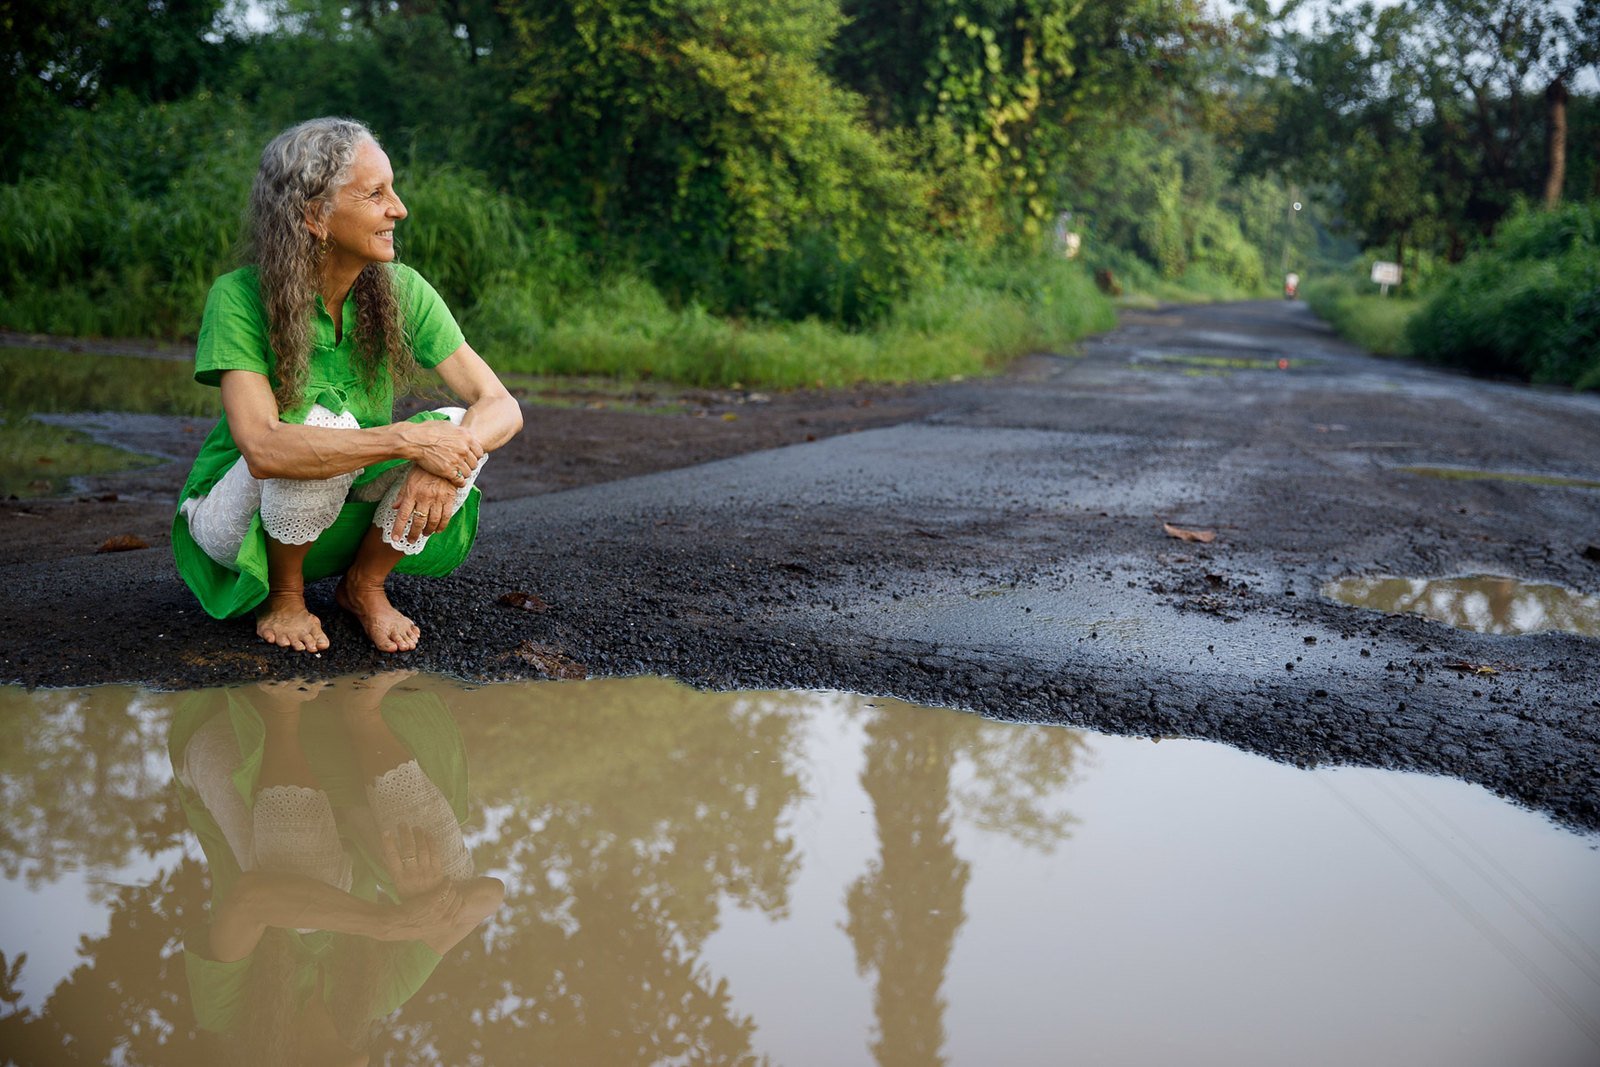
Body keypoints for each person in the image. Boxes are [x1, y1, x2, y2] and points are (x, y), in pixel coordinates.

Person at [172, 117, 522, 653]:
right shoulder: (239, 296)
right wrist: (408, 441)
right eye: (376, 193)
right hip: (235, 522)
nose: (398, 208)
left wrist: (439, 458)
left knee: (456, 429)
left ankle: (365, 585)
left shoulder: (401, 287)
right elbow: (264, 448)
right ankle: (285, 595)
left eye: (393, 190)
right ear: (315, 215)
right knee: (321, 426)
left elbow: (499, 404)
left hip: (340, 507)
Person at [169, 673, 505, 1066]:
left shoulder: (228, 1012)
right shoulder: (377, 997)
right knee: (447, 877)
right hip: (346, 790)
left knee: (309, 902)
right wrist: (429, 895)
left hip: (232, 755)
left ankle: (280, 712)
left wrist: (384, 923)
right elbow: (487, 897)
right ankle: (363, 710)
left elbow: (252, 898)